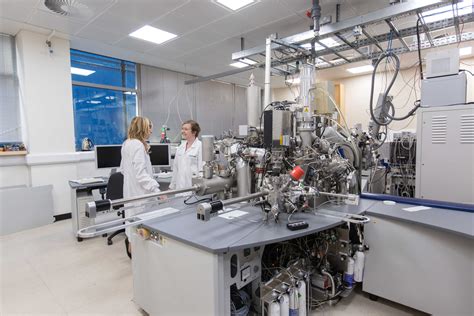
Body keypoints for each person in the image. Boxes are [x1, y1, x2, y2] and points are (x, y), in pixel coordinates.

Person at [120, 116, 160, 258]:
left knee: (132, 223)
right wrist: (156, 189)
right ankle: (137, 257)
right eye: (149, 127)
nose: (150, 131)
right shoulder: (137, 145)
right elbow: (141, 174)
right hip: (140, 194)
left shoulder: (126, 143)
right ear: (142, 128)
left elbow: (123, 169)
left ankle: (133, 251)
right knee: (140, 224)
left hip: (131, 192)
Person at [169, 120, 203, 191]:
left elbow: (201, 170)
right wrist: (172, 187)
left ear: (194, 132)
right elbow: (176, 169)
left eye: (186, 129)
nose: (182, 131)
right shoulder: (180, 147)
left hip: (194, 188)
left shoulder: (200, 146)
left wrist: (200, 187)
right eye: (182, 129)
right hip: (180, 188)